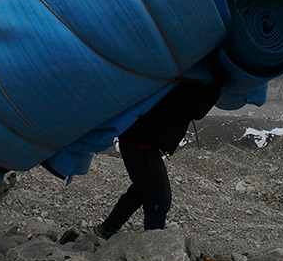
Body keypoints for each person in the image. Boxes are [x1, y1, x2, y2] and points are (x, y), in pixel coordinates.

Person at [94, 76, 223, 238]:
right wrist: (217, 86)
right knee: (159, 198)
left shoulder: (177, 75)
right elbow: (197, 111)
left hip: (134, 140)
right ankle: (153, 246)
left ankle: (106, 230)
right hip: (142, 145)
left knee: (142, 189)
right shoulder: (189, 85)